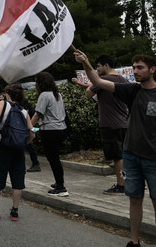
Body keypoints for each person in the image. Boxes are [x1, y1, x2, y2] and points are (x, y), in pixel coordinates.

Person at [75, 50, 156, 247]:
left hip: (153, 159)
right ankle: (134, 241)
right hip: (131, 155)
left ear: (152, 70)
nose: (136, 71)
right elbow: (99, 82)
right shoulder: (132, 90)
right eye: (134, 67)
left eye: (140, 68)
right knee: (134, 199)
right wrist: (86, 62)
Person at [73, 54, 128, 194]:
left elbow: (88, 93)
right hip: (124, 122)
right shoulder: (123, 79)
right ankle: (133, 181)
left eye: (98, 67)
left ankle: (121, 185)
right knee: (127, 155)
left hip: (110, 123)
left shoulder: (105, 79)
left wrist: (94, 76)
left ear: (106, 66)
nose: (97, 70)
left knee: (117, 157)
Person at [0, 83, 34, 221]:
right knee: (17, 180)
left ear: (8, 94)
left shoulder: (3, 104)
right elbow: (32, 134)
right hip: (18, 150)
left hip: (3, 147)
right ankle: (14, 212)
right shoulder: (24, 111)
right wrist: (22, 143)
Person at [31, 72, 69, 197]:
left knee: (53, 159)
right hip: (61, 128)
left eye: (36, 82)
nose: (35, 84)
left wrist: (29, 128)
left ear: (41, 83)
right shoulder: (57, 94)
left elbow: (38, 114)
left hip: (50, 130)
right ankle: (59, 182)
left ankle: (61, 187)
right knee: (55, 158)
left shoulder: (44, 95)